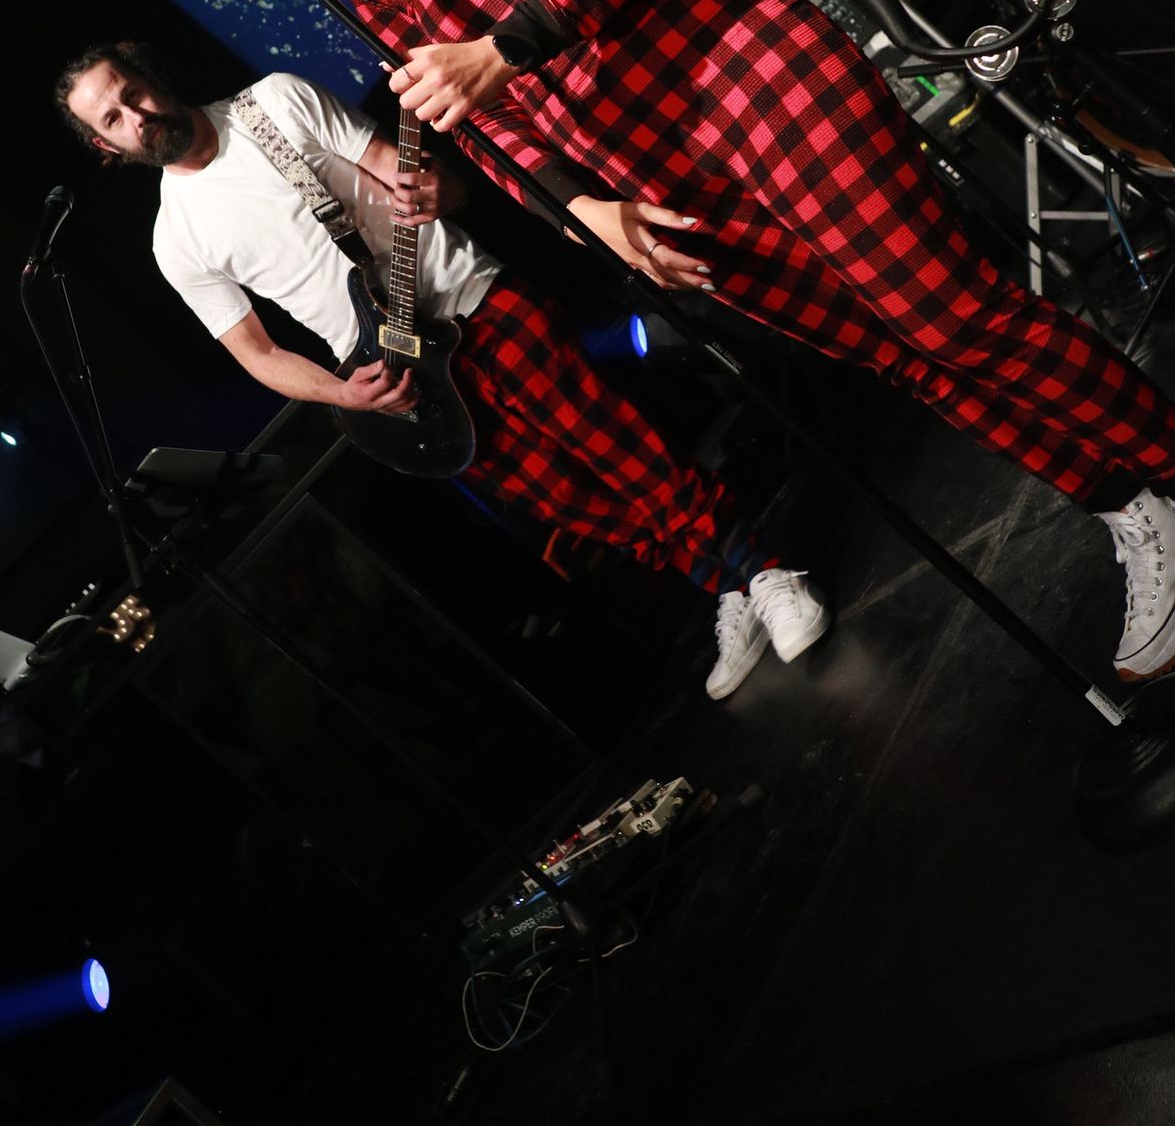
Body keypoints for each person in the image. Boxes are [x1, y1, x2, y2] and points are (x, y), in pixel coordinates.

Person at [181, 0, 1175, 683]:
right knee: (903, 358)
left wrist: (509, 43)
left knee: (947, 313)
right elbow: (485, 125)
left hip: (747, 73)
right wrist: (587, 214)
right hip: (660, 185)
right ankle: (1128, 508)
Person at [54, 41, 829, 700]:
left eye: (131, 91)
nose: (136, 115)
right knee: (568, 501)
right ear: (105, 147)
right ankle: (728, 583)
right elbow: (256, 354)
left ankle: (764, 573)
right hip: (402, 381)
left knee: (615, 444)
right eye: (112, 118)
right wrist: (342, 391)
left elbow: (430, 181)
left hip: (469, 302)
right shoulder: (175, 240)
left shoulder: (272, 103)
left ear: (152, 76)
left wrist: (433, 190)